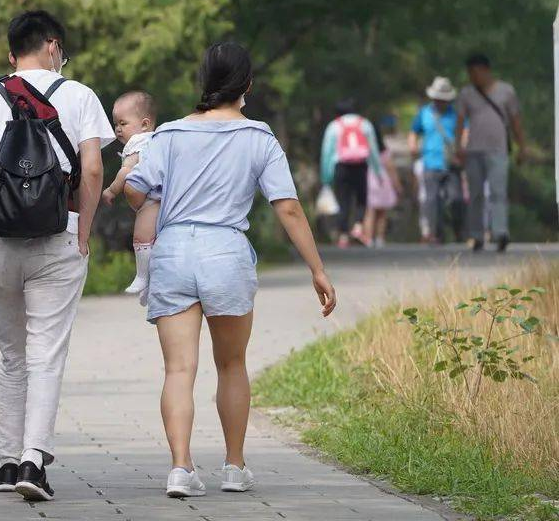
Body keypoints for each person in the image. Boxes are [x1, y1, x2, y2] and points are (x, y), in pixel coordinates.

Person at [124, 42, 336, 498]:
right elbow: (289, 209)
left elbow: (137, 192)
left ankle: (181, 469)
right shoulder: (259, 138)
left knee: (179, 370)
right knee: (232, 364)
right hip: (226, 253)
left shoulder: (169, 134)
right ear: (248, 86)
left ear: (204, 82)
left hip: (175, 250)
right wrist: (316, 269)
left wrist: (160, 199)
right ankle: (235, 467)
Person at [0, 10, 114, 502]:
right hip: (56, 237)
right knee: (46, 353)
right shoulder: (80, 95)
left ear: (11, 54)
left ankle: (5, 461)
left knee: (13, 355)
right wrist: (84, 231)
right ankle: (33, 464)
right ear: (54, 46)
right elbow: (93, 170)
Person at [455, 54, 527, 252]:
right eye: (470, 73)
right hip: (473, 151)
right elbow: (460, 122)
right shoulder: (466, 94)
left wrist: (522, 147)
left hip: (498, 150)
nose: (473, 77)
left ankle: (500, 232)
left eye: (475, 72)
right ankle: (476, 234)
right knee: (475, 194)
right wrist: (458, 146)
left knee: (498, 192)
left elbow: (515, 121)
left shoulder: (506, 91)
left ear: (486, 70)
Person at [102, 90, 159, 301]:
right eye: (115, 123)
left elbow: (126, 171)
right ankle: (150, 287)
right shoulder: (156, 140)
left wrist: (111, 190)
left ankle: (142, 276)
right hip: (162, 197)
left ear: (144, 124)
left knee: (141, 238)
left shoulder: (138, 143)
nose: (117, 129)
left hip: (154, 200)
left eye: (123, 123)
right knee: (155, 245)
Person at [320, 99, 383, 248]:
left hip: (341, 166)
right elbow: (373, 149)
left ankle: (343, 235)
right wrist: (378, 171)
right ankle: (358, 226)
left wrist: (326, 176)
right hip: (361, 165)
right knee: (362, 198)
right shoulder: (365, 124)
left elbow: (327, 153)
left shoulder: (334, 126)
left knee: (343, 200)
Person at [409, 77, 464, 245]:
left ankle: (458, 230)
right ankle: (436, 233)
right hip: (430, 162)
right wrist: (413, 146)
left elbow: (465, 132)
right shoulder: (424, 113)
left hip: (451, 163)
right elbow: (414, 132)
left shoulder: (456, 115)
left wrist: (463, 149)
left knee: (456, 199)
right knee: (432, 200)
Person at [363, 117, 402, 248]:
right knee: (382, 213)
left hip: (369, 181)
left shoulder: (365, 149)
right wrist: (397, 186)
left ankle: (368, 239)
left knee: (370, 211)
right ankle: (379, 239)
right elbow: (391, 168)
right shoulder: (383, 151)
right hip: (382, 181)